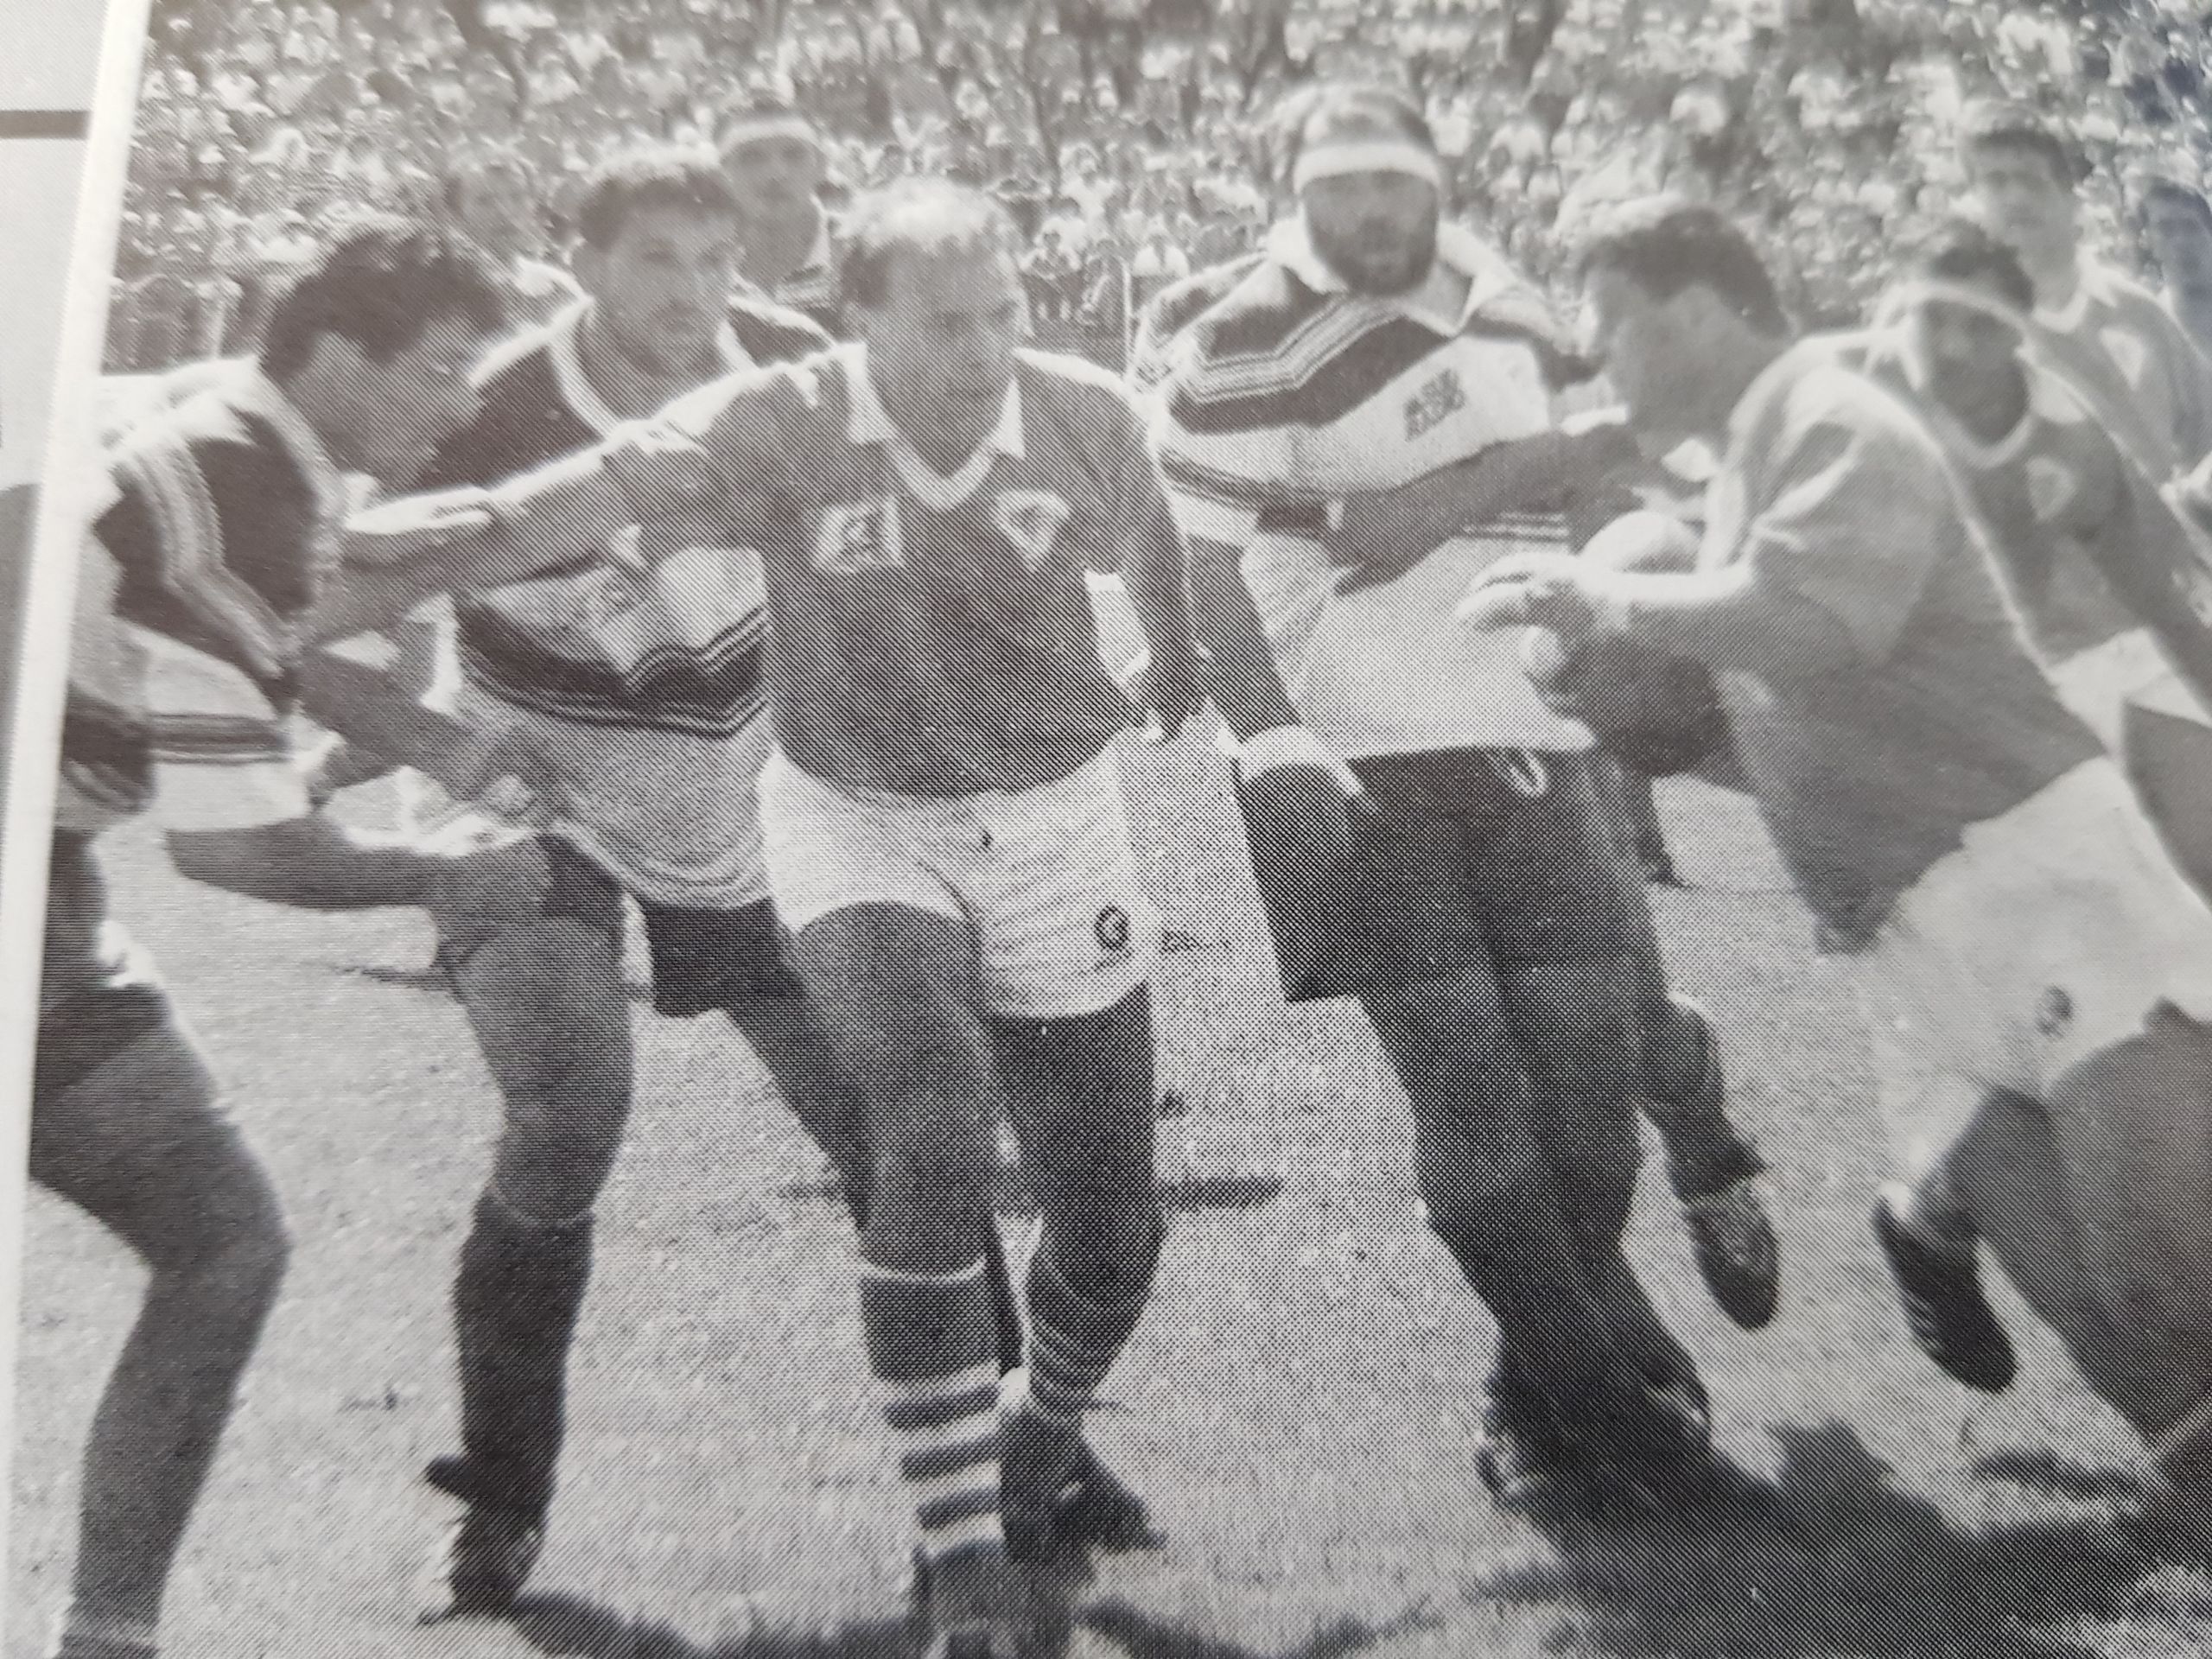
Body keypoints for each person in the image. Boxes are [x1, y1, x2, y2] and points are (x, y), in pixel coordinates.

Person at [352, 177, 1208, 1659]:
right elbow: (473, 542)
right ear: (580, 260)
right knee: (645, 1113)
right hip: (655, 797)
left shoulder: (965, 390)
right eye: (657, 260)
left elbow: (1141, 526)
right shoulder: (565, 408)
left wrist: (1177, 655)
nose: (692, 293)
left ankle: (1033, 1451)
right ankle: (534, 1508)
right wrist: (382, 669)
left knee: (1010, 1186)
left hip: (860, 796)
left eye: (716, 259)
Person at [1459, 195, 2212, 1513]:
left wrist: (1605, 599)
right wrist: (1642, 709)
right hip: (1908, 952)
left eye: (1613, 328)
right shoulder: (1739, 476)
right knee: (2129, 1350)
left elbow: (1816, 622)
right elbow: (1799, 726)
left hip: (2044, 884)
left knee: (2167, 1284)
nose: (1599, 360)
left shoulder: (1833, 408)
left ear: (1697, 313)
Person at [1152, 83, 1741, 1518]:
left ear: (1436, 182)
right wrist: (1275, 744)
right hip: (1357, 758)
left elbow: (1600, 480)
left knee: (1590, 1109)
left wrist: (1619, 594)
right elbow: (1203, 565)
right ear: (1299, 192)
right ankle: (1607, 1418)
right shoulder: (1240, 333)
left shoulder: (1518, 309)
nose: (1370, 210)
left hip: (1530, 735)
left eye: (1392, 182)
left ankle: (1526, 1397)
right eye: (1340, 185)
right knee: (1471, 1090)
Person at [35, 219, 514, 1659]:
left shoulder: (221, 421)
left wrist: (387, 559)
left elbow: (264, 585)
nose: (462, 407)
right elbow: (234, 847)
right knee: (221, 1239)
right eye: (441, 369)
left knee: (219, 1238)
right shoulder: (240, 492)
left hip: (51, 879)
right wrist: (444, 877)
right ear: (338, 356)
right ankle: (106, 1638)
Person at [1959, 100, 2212, 482]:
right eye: (1995, 181)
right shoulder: (1968, 332)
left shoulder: (2138, 313)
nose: (2015, 197)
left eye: (2031, 179)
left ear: (2070, 198)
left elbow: (2206, 434)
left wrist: (2186, 503)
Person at [720, 101, 838, 329]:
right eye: (752, 157)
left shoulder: (864, 253)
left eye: (794, 155)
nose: (775, 173)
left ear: (822, 166)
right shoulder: (696, 260)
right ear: (723, 172)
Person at [442, 155, 582, 332]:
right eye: (484, 201)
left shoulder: (564, 268)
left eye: (517, 197)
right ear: (457, 217)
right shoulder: (454, 292)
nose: (505, 211)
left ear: (535, 204)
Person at [2139, 165, 2212, 368]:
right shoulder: (2157, 326)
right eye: (2166, 228)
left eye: (2191, 226)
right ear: (2148, 241)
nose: (2181, 241)